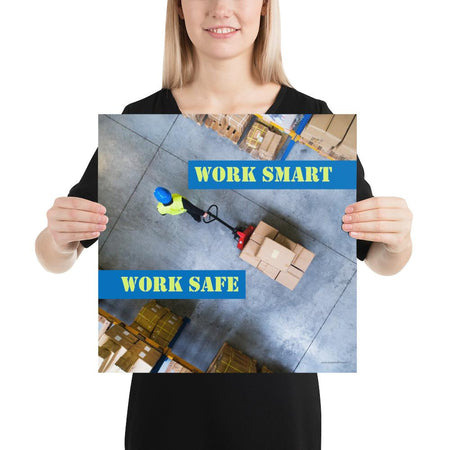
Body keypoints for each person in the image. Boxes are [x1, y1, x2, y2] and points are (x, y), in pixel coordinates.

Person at [35, 0, 413, 448]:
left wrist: (398, 240)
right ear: (178, 9)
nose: (221, 8)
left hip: (279, 417)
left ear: (265, 9)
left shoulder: (316, 110)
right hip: (166, 419)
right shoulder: (140, 113)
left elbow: (380, 260)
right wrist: (58, 240)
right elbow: (54, 257)